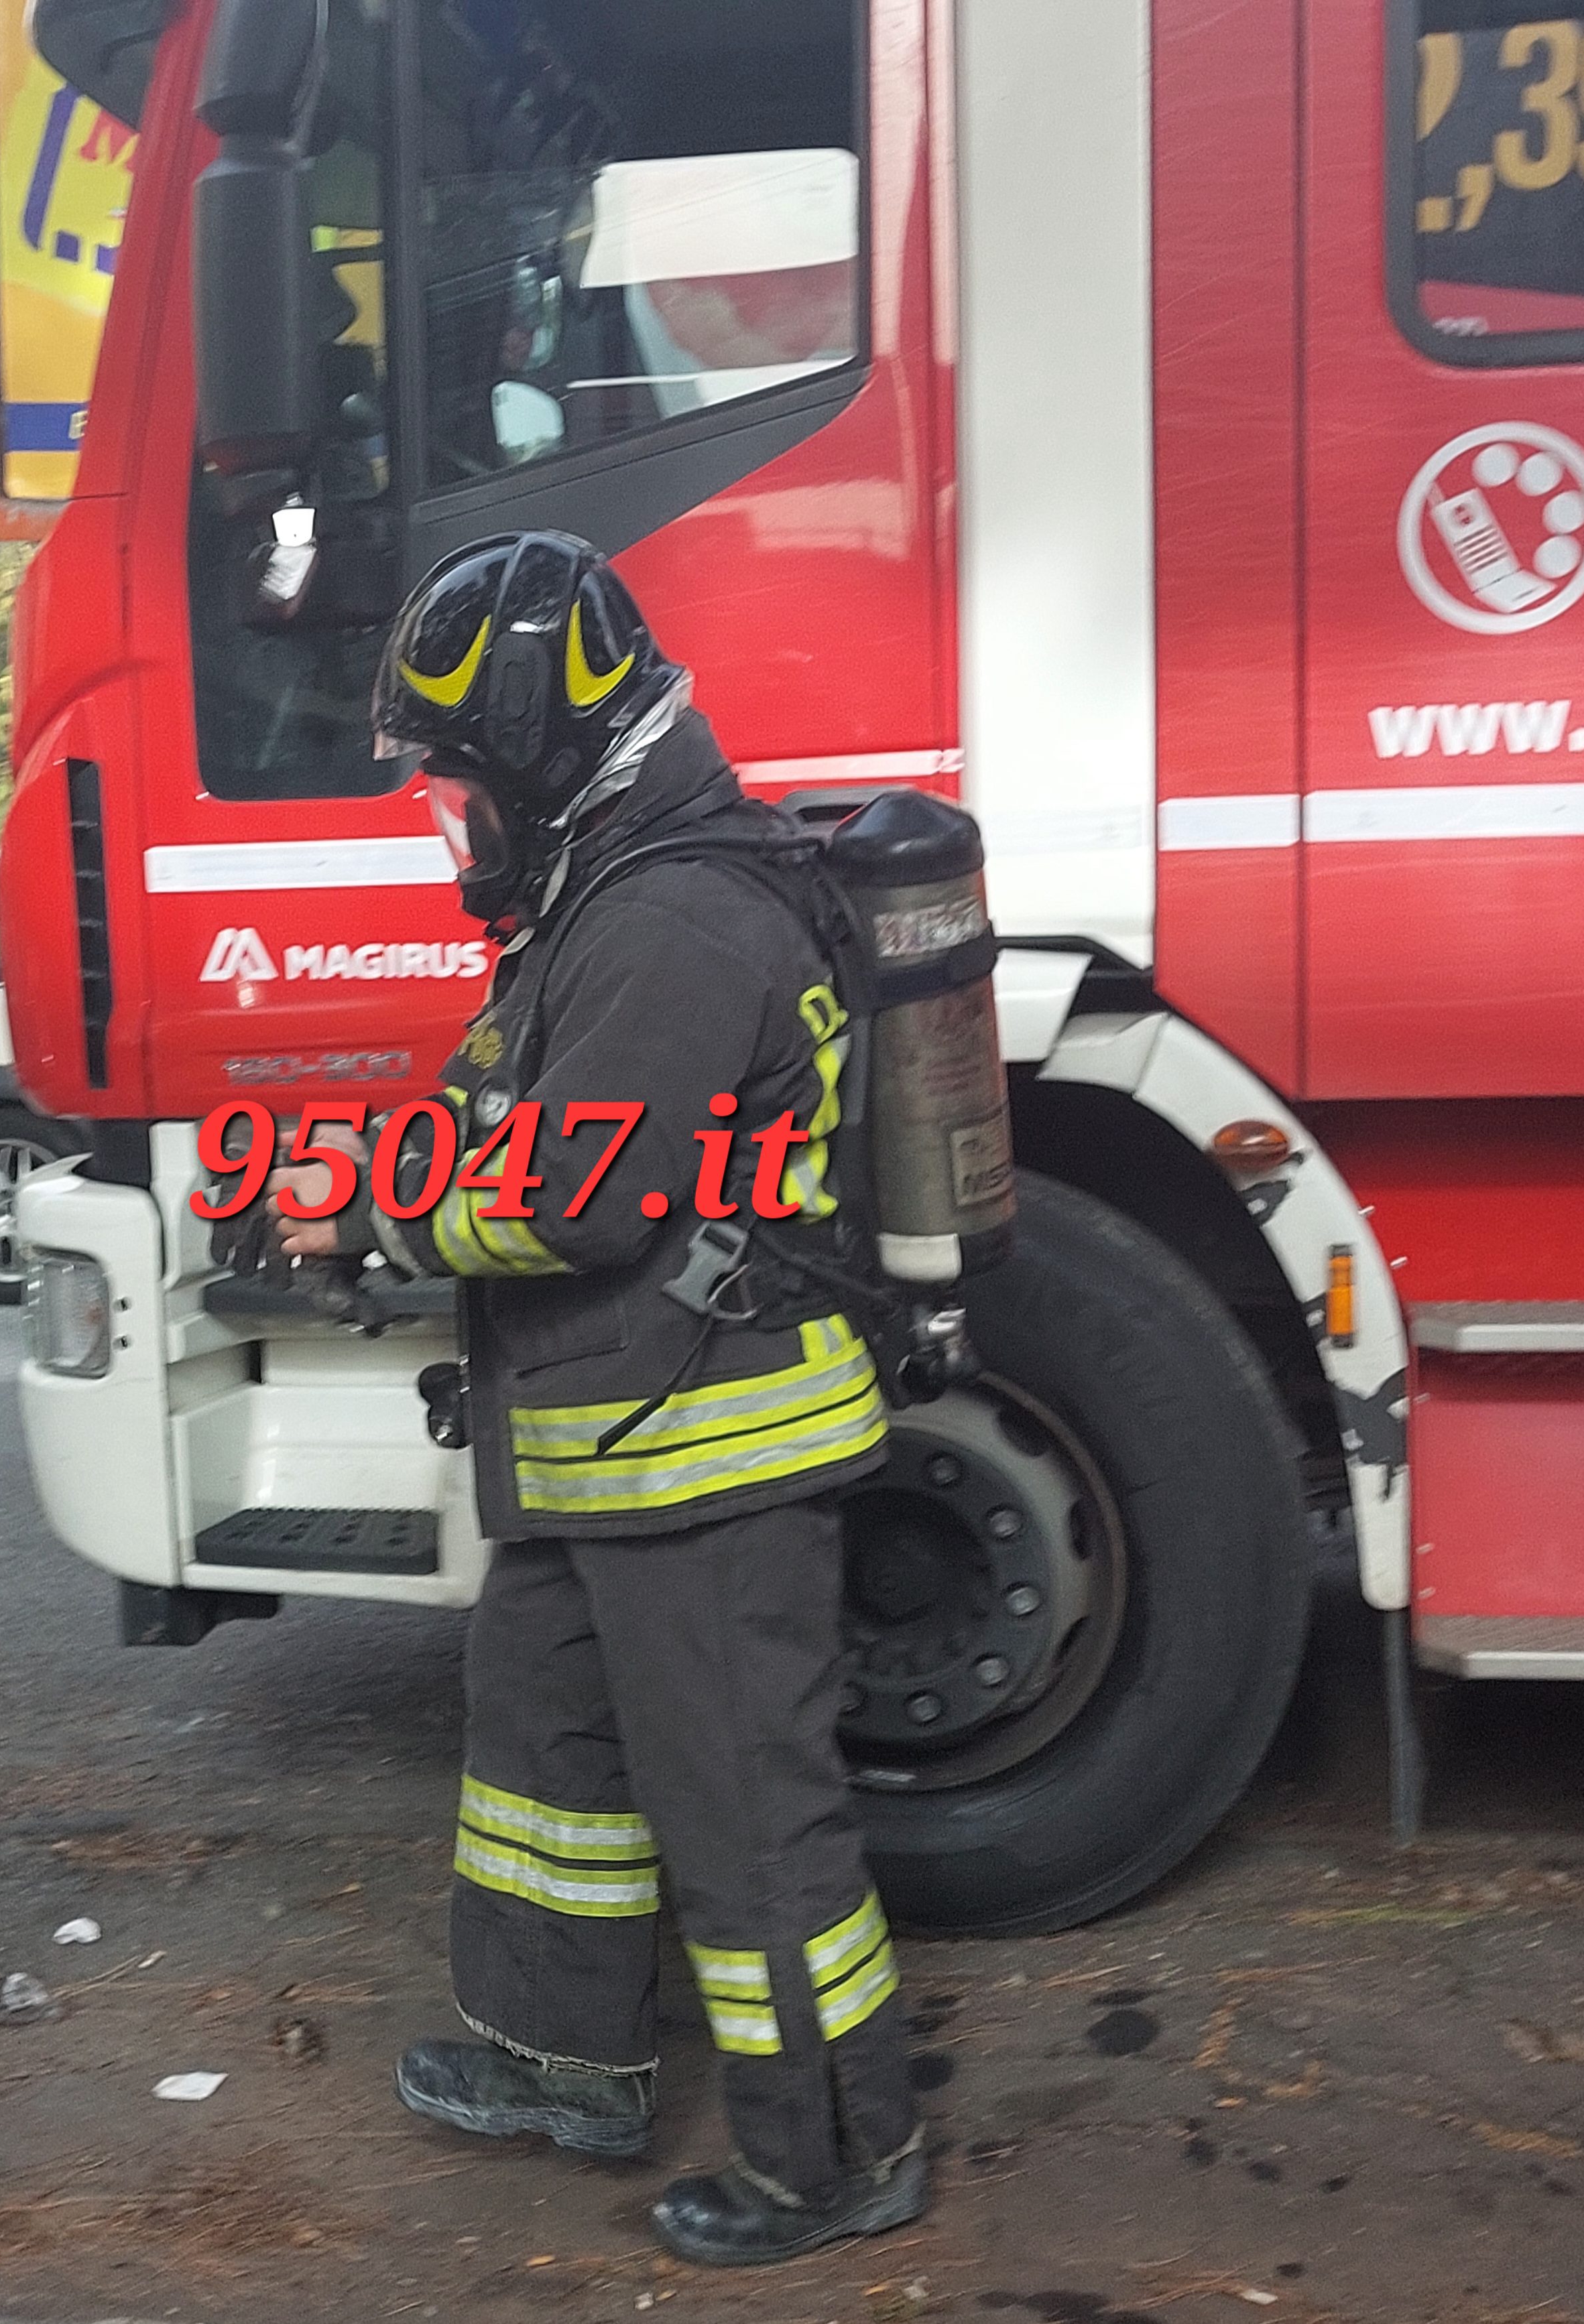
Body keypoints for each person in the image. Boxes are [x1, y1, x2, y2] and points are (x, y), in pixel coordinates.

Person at [266, 531, 928, 2268]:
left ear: (541, 756)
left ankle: (839, 2154)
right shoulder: (607, 888)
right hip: (609, 1432)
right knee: (546, 1754)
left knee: (749, 1818)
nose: (445, 820)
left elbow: (579, 1195)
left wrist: (375, 1213)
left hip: (705, 1450)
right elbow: (509, 1113)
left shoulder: (672, 916)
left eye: (455, 783)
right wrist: (381, 1168)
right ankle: (562, 2060)